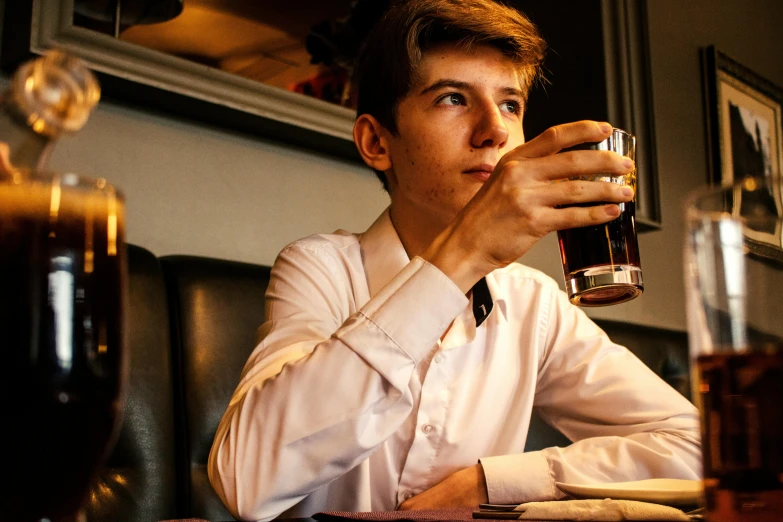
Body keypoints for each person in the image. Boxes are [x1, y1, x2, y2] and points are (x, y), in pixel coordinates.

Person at [208, 0, 701, 520]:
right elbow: (246, 480)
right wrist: (464, 253)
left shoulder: (533, 303)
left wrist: (496, 481)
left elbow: (695, 449)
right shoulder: (322, 268)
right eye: (452, 99)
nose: (494, 131)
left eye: (510, 105)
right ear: (377, 142)